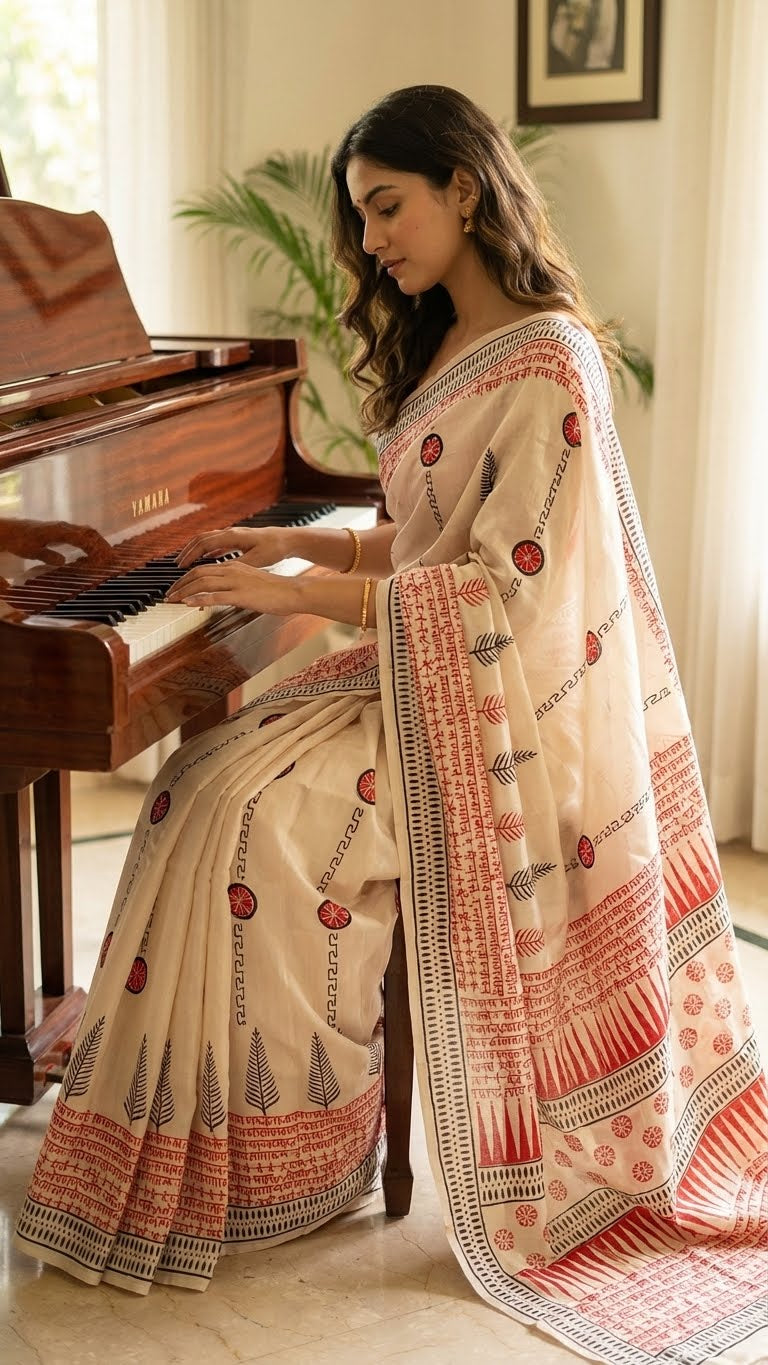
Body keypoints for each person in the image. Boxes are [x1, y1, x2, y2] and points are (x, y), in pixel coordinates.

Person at [14, 86, 768, 1364]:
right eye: (361, 216)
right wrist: (287, 542)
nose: (369, 243)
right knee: (198, 785)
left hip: (496, 725)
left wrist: (302, 590)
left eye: (386, 208)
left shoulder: (551, 358)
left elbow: (512, 594)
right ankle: (189, 1131)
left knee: (244, 814)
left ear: (465, 191)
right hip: (418, 685)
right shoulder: (454, 345)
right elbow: (424, 540)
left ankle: (284, 1151)